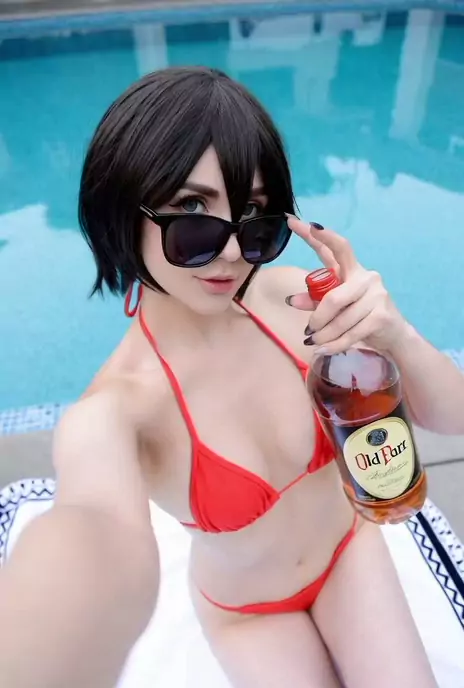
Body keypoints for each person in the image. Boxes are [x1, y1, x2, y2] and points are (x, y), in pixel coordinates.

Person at [1, 66, 464, 688]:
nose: (228, 251)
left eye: (252, 214)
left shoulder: (299, 301)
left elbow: (453, 417)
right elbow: (94, 536)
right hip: (247, 613)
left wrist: (395, 333)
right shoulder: (117, 411)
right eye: (193, 209)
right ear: (122, 209)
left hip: (349, 552)